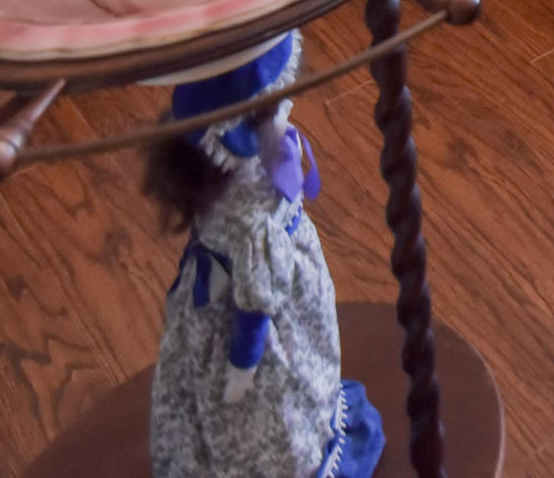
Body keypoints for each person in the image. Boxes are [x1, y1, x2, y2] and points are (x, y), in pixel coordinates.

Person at [144, 34, 383, 478]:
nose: (279, 116)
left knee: (301, 359)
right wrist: (242, 365)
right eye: (265, 113)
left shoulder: (245, 184)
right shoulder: (249, 218)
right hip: (244, 313)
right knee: (257, 410)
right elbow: (255, 304)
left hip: (274, 290)